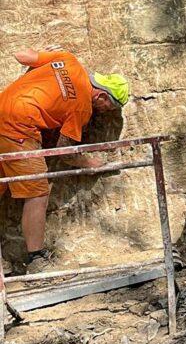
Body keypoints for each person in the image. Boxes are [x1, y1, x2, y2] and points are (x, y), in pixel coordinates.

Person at [0, 49, 131, 271]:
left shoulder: (68, 60)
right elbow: (65, 151)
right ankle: (36, 259)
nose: (104, 112)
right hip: (18, 128)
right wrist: (91, 165)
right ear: (101, 96)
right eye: (109, 108)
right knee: (37, 192)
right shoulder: (82, 107)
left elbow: (22, 56)